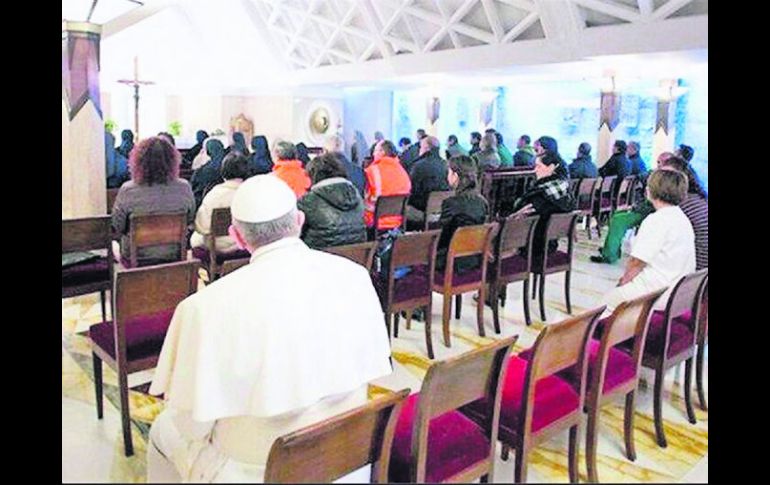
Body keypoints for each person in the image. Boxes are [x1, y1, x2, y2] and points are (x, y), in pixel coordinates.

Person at [147, 175, 392, 483]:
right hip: (348, 462)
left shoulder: (204, 307)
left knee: (162, 429)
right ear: (300, 221)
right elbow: (375, 368)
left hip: (254, 472)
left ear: (237, 237)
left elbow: (191, 425)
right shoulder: (355, 276)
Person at [601, 168, 695, 311]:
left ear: (651, 191)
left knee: (604, 304)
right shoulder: (682, 218)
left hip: (655, 293)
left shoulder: (656, 220)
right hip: (678, 291)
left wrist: (622, 284)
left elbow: (636, 262)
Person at [111, 136, 195, 265]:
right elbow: (190, 219)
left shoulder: (128, 190)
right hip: (174, 254)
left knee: (113, 246)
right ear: (172, 160)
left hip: (136, 257)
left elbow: (118, 226)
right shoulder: (184, 187)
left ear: (138, 161)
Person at [591, 152, 674, 264]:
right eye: (658, 162)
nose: (658, 165)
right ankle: (612, 250)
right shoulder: (656, 174)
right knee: (616, 215)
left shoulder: (668, 179)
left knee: (618, 220)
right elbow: (643, 176)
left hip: (651, 212)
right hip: (646, 208)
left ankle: (609, 255)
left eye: (661, 163)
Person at [509, 150, 575, 260]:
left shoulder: (539, 195)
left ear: (551, 167)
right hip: (550, 246)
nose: (535, 170)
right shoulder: (566, 191)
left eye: (538, 166)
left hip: (529, 248)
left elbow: (518, 220)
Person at [298, 153, 366, 249]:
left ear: (313, 176)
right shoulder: (357, 195)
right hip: (355, 259)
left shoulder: (308, 201)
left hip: (321, 259)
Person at [435, 155, 489, 273]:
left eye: (448, 172)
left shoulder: (450, 203)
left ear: (455, 176)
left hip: (451, 263)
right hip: (475, 260)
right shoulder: (482, 202)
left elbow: (441, 238)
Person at [190, 152, 249, 254]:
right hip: (246, 243)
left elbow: (202, 227)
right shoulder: (252, 192)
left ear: (223, 172)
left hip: (218, 246)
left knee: (195, 238)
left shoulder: (214, 195)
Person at [364, 140, 411, 230]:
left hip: (375, 221)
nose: (373, 154)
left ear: (382, 152)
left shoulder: (371, 171)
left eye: (375, 151)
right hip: (398, 221)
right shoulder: (402, 171)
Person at [406, 136, 451, 229]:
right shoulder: (446, 165)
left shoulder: (418, 166)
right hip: (443, 211)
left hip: (422, 211)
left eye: (421, 147)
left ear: (426, 148)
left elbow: (411, 191)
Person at [191, 138, 226, 208]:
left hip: (203, 204)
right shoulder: (228, 167)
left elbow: (193, 186)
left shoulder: (202, 170)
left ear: (208, 151)